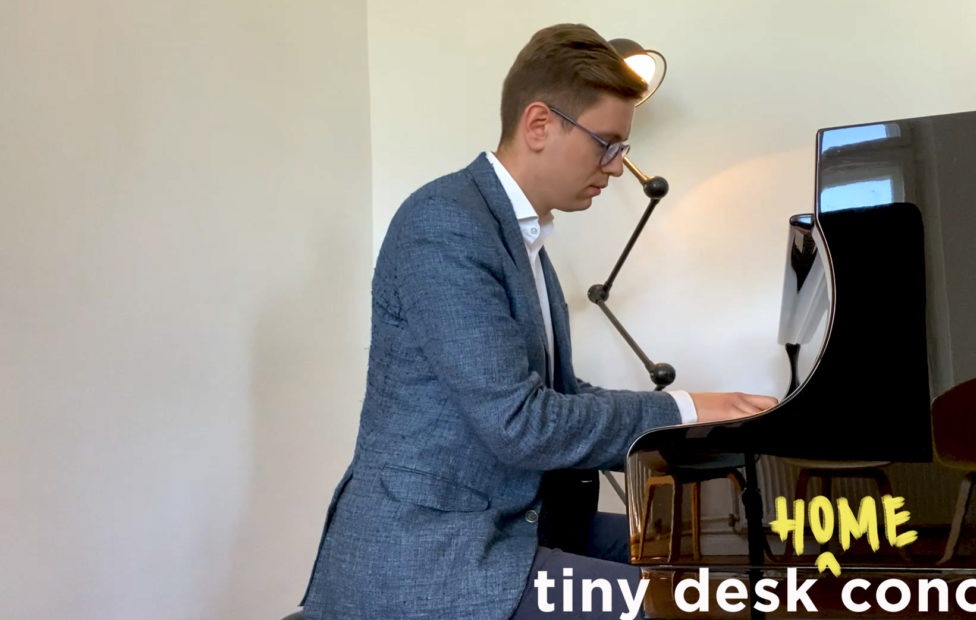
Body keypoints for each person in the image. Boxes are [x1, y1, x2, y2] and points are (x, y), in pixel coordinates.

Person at [300, 23, 778, 619]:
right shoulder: (443, 225)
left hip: (521, 522)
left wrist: (695, 434)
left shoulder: (524, 239)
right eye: (607, 143)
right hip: (439, 554)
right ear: (539, 125)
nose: (615, 166)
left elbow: (559, 395)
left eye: (622, 148)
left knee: (715, 572)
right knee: (678, 607)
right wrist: (684, 409)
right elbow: (521, 422)